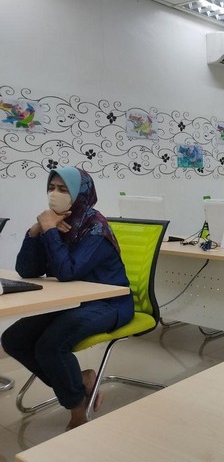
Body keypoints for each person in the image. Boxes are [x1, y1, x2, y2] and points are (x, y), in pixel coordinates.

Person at [0, 167, 134, 430]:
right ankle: (80, 381)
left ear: (80, 193)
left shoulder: (96, 228)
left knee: (51, 345)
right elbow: (27, 270)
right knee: (13, 339)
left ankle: (77, 407)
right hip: (72, 302)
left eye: (63, 189)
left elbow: (67, 272)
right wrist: (35, 232)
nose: (54, 194)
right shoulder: (58, 223)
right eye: (51, 188)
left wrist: (50, 230)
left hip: (109, 303)